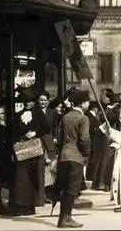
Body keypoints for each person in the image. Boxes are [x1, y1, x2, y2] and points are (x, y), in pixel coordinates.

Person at [51, 90, 91, 228]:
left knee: (65, 187)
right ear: (83, 103)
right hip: (76, 157)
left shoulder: (65, 117)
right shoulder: (83, 118)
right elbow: (85, 140)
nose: (88, 104)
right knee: (72, 189)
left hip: (64, 156)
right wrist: (86, 154)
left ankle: (63, 218)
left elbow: (59, 138)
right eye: (87, 102)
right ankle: (66, 219)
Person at [8, 88, 47, 216]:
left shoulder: (39, 114)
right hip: (23, 149)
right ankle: (22, 204)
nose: (27, 104)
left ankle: (32, 205)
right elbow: (13, 131)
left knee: (34, 177)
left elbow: (46, 128)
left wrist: (35, 132)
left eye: (29, 102)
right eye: (25, 102)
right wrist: (21, 136)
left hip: (35, 148)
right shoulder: (18, 115)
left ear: (33, 102)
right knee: (22, 178)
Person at [37, 91, 60, 200]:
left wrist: (55, 137)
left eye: (45, 100)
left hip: (49, 139)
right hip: (38, 140)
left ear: (48, 101)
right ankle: (41, 193)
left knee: (51, 164)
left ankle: (49, 191)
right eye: (41, 100)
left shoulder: (52, 112)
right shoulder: (34, 112)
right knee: (41, 164)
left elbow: (56, 126)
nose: (43, 102)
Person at [85, 101, 110, 190]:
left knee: (95, 158)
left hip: (97, 139)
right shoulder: (89, 116)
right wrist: (100, 129)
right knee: (94, 158)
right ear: (94, 108)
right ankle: (91, 177)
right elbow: (91, 128)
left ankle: (92, 177)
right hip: (94, 139)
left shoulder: (93, 115)